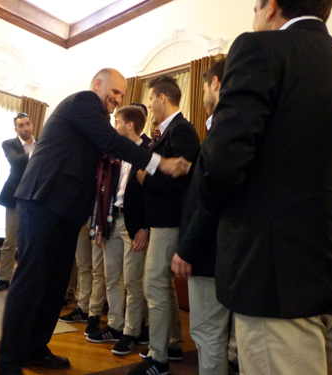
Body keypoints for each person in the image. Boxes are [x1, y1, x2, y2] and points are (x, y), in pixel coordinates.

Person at [195, 0, 332, 374]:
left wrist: (213, 202)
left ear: (271, 6)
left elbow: (221, 164)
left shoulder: (259, 48)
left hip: (274, 278)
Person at [0, 68, 190, 375]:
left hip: (67, 209)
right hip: (44, 199)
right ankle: (7, 360)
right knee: (32, 281)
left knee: (54, 284)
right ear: (97, 85)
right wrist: (160, 162)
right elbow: (110, 141)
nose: (117, 98)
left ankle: (34, 348)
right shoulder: (83, 102)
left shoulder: (93, 115)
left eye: (123, 95)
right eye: (114, 91)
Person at [172, 58, 239, 375]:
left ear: (214, 83)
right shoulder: (238, 127)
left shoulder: (225, 130)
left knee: (208, 334)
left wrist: (188, 248)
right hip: (227, 253)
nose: (201, 96)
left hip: (210, 252)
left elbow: (212, 196)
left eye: (201, 87)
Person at [130, 75, 200, 375]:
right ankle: (171, 343)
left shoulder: (181, 128)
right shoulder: (167, 132)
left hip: (170, 219)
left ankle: (158, 360)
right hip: (162, 219)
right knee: (163, 286)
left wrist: (146, 177)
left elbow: (185, 175)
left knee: (154, 285)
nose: (149, 107)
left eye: (150, 100)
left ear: (161, 98)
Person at [86, 106, 151, 355]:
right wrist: (101, 222)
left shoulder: (149, 150)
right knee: (112, 276)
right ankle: (115, 324)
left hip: (135, 225)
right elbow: (106, 189)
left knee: (134, 282)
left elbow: (151, 195)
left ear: (129, 125)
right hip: (113, 219)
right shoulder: (115, 151)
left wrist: (145, 227)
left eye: (117, 122)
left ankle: (132, 331)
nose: (114, 127)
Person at [0, 113, 37, 293]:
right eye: (21, 125)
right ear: (16, 129)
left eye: (28, 124)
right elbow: (16, 161)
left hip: (37, 198)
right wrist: (37, 151)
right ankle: (4, 279)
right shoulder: (9, 144)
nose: (26, 128)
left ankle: (25, 280)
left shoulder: (40, 142)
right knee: (10, 240)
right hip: (15, 197)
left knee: (32, 241)